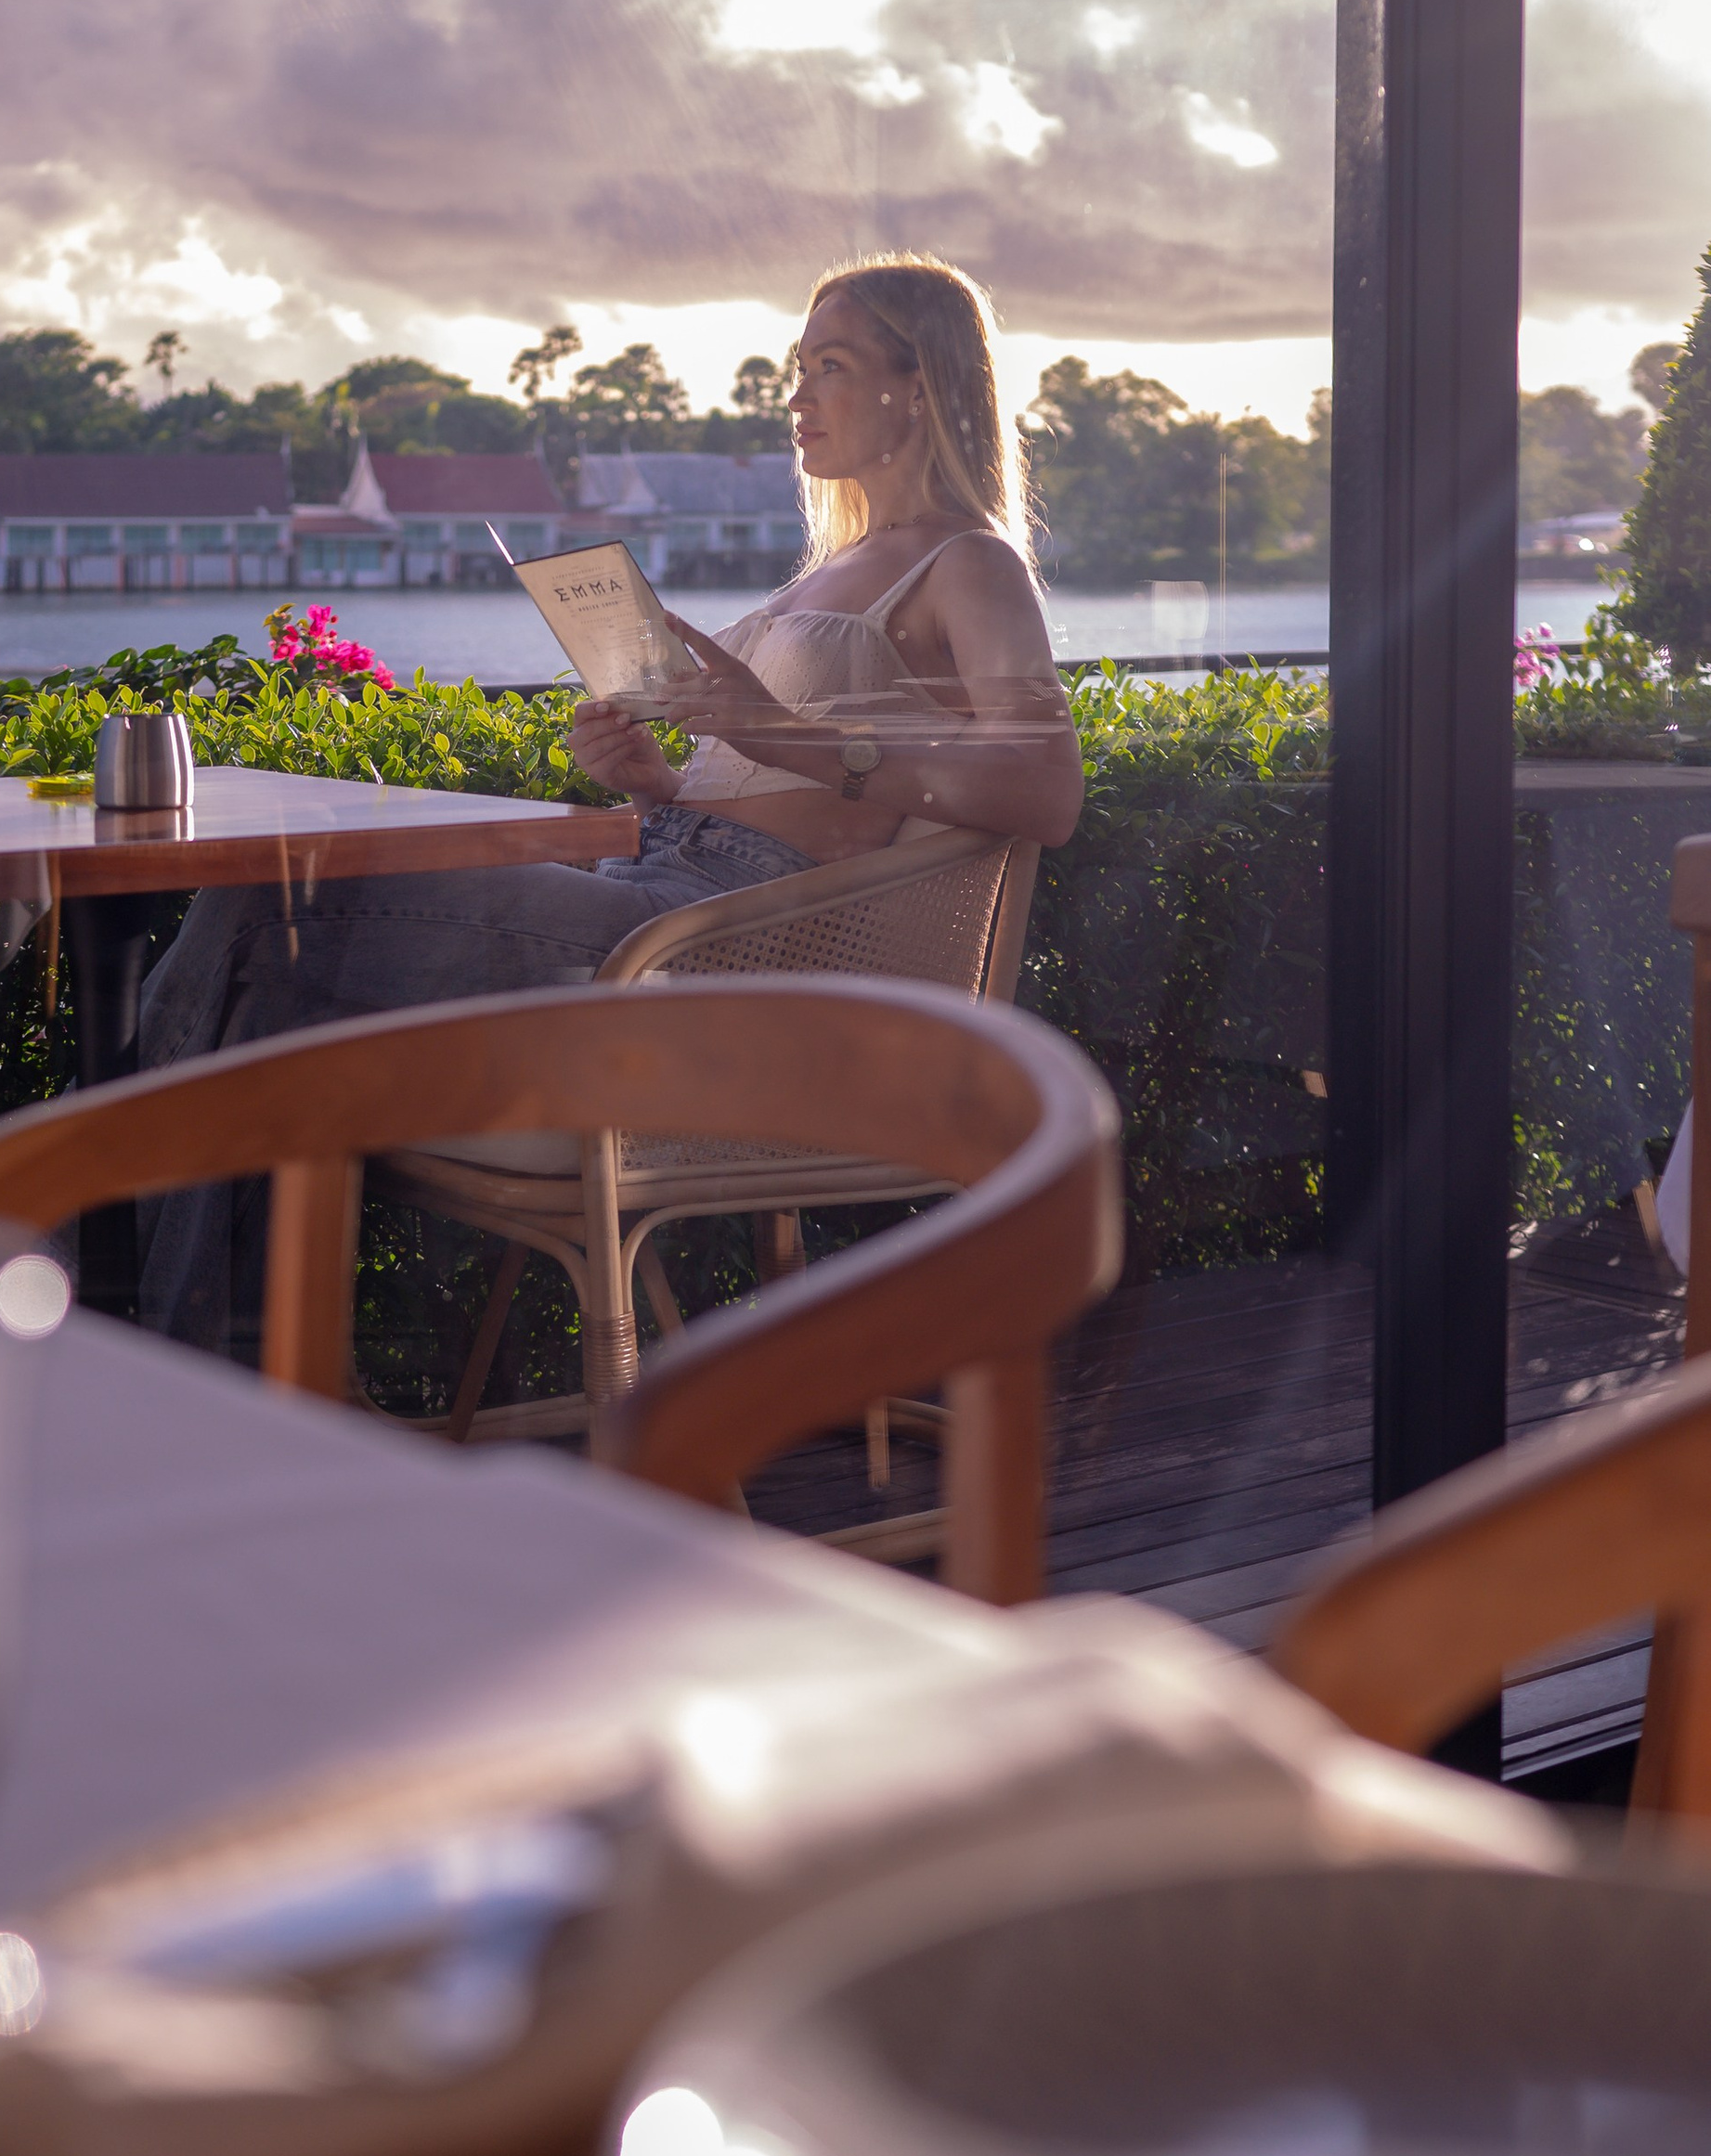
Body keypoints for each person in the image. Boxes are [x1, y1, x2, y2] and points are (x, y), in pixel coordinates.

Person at [135, 252, 1083, 1348]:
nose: (796, 397)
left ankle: (122, 1323)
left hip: (715, 947)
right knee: (268, 984)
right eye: (796, 368)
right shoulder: (836, 564)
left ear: (919, 386)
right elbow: (780, 782)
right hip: (659, 886)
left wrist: (775, 730)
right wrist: (657, 781)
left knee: (269, 905)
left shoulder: (968, 564)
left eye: (829, 367)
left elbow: (1045, 790)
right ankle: (228, 1372)